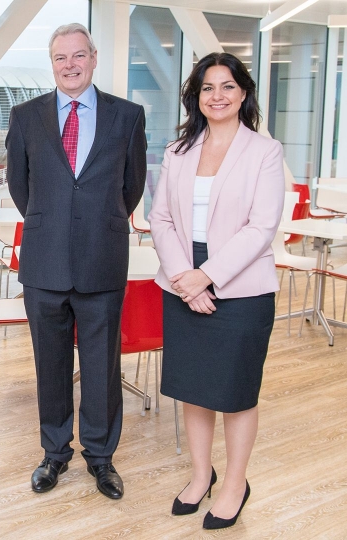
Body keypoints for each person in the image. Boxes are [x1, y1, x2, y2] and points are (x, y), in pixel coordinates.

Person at [6, 23, 147, 500]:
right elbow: (21, 187)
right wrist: (54, 220)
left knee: (102, 364)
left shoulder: (127, 116)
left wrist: (94, 220)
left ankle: (101, 458)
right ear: (52, 64)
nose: (70, 64)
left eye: (78, 55)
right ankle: (54, 452)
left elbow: (132, 187)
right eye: (61, 58)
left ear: (92, 57)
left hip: (102, 260)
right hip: (45, 262)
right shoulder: (25, 116)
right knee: (49, 364)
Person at [148, 52, 283, 530]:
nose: (217, 96)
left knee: (236, 393)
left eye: (227, 86)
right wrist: (186, 276)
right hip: (183, 280)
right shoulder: (179, 150)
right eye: (208, 88)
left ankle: (234, 485)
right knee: (193, 388)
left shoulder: (264, 152)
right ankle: (201, 475)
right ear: (196, 96)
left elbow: (261, 226)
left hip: (241, 288)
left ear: (243, 93)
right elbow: (159, 218)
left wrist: (208, 276)